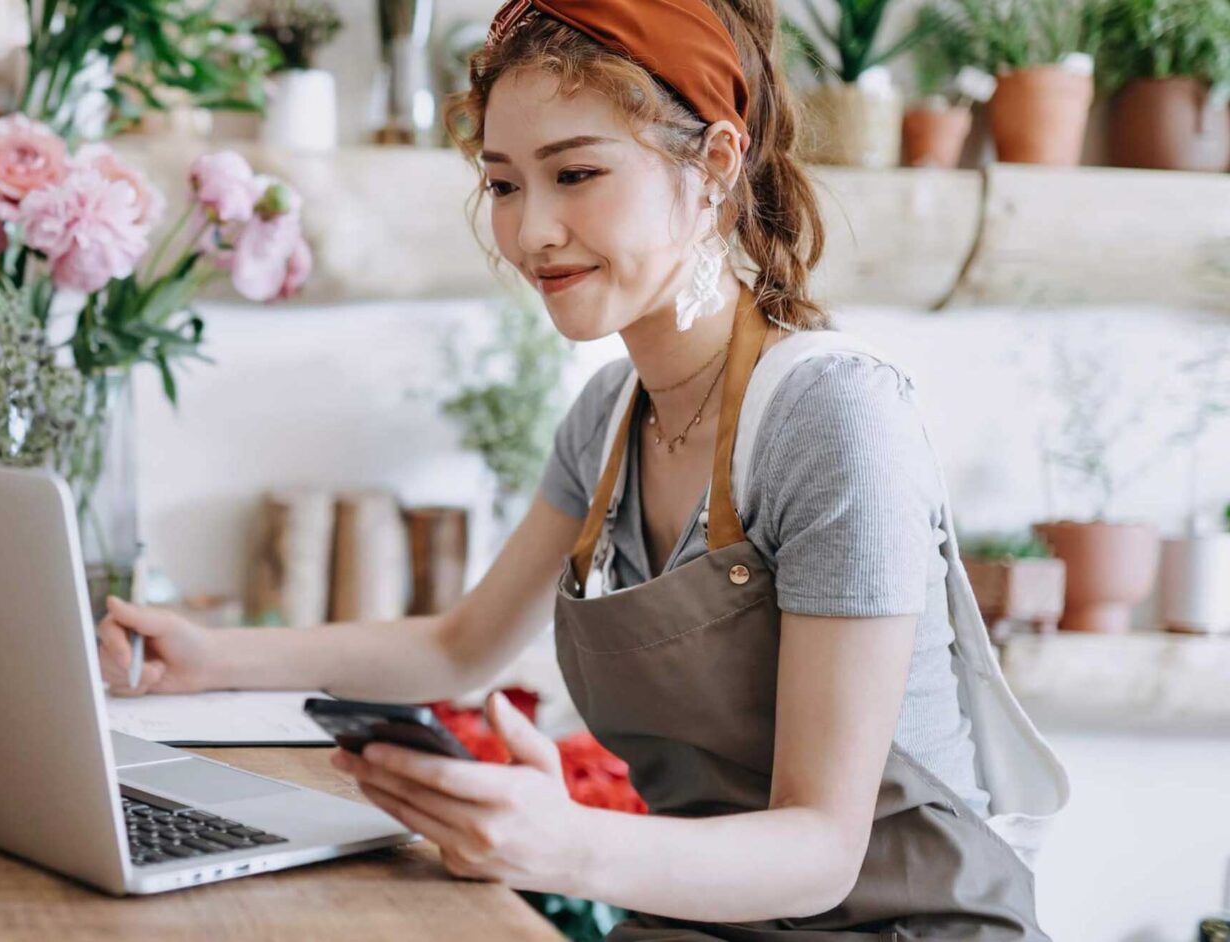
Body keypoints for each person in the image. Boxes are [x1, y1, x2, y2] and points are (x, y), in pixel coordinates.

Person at [97, 0, 1065, 937]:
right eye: (506, 183)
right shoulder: (606, 418)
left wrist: (559, 846)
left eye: (575, 174)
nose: (529, 234)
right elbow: (456, 651)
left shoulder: (829, 417)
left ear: (715, 164)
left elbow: (820, 849)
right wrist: (206, 659)